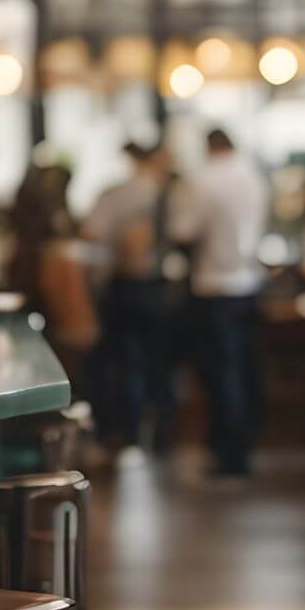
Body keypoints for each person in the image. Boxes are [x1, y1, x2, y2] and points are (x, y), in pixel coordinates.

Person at [168, 129, 270, 477]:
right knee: (245, 367)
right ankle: (244, 446)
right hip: (249, 283)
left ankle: (230, 456)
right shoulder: (254, 177)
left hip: (214, 286)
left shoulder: (202, 180)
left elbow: (183, 231)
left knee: (221, 373)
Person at [82, 143, 174, 457]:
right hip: (159, 285)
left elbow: (92, 231)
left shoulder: (117, 194)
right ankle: (163, 439)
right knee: (160, 365)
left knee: (126, 364)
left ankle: (131, 435)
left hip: (125, 285)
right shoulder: (170, 192)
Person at [7, 165, 99, 381]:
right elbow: (81, 332)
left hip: (42, 341)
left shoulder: (28, 251)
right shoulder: (58, 258)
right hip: (62, 346)